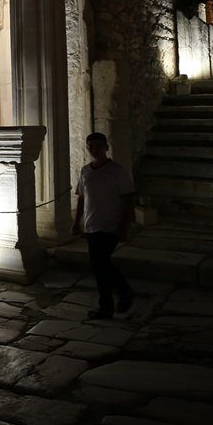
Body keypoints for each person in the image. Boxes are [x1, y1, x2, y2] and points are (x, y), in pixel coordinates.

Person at [72, 132, 135, 320]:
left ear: (106, 148)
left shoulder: (117, 171)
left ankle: (121, 293)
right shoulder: (85, 171)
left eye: (98, 147)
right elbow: (82, 198)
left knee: (101, 263)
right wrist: (77, 223)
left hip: (110, 226)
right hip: (92, 226)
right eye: (91, 147)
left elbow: (128, 199)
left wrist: (124, 227)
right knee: (100, 267)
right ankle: (109, 304)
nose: (94, 150)